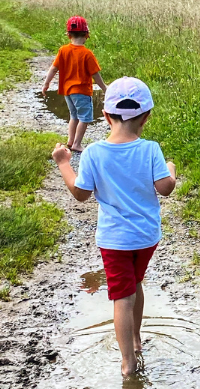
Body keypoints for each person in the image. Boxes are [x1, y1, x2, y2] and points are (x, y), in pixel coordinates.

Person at [51, 76, 177, 378]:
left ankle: (127, 364)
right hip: (146, 237)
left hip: (114, 240)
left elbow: (81, 194)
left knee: (122, 295)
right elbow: (166, 188)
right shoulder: (151, 150)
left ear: (106, 116)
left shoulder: (94, 153)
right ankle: (135, 341)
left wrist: (63, 163)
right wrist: (171, 169)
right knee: (135, 284)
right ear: (146, 117)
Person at [41, 16, 106, 152]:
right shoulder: (87, 54)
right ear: (87, 34)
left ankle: (70, 141)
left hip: (67, 91)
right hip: (81, 91)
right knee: (85, 117)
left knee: (74, 116)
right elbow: (95, 74)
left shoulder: (63, 50)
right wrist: (105, 88)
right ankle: (77, 144)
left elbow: (53, 68)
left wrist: (46, 84)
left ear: (68, 35)